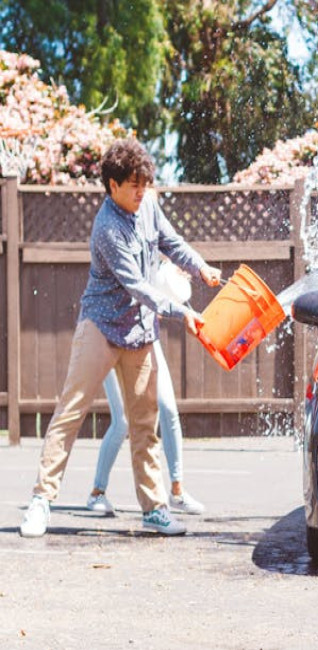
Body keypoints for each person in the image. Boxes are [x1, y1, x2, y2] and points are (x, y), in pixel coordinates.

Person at [19, 138, 221, 538]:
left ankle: (154, 509)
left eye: (144, 182)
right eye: (133, 184)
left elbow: (170, 241)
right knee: (70, 412)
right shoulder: (107, 228)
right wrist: (183, 312)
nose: (141, 190)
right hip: (101, 326)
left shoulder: (147, 205)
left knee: (145, 423)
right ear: (112, 186)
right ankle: (41, 501)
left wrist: (200, 267)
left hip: (140, 331)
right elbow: (139, 286)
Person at [86, 341, 205, 516]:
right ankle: (97, 492)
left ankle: (177, 492)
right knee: (122, 422)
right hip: (110, 336)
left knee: (168, 409)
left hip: (146, 337)